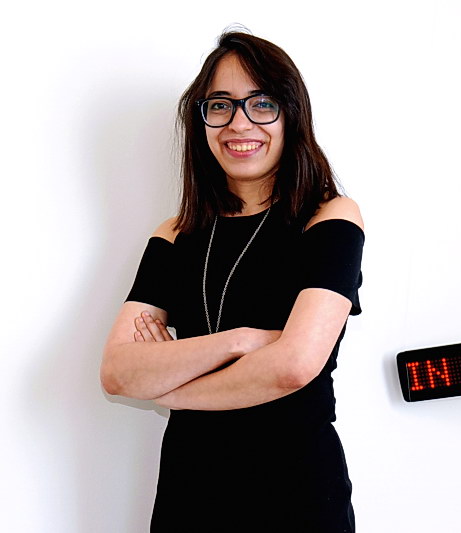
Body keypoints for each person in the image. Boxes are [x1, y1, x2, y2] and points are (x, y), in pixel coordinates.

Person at [100, 31, 363, 532]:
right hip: (190, 489)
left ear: (291, 115)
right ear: (200, 120)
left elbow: (294, 367)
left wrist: (172, 388)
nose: (239, 123)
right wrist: (241, 341)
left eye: (261, 103)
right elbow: (118, 373)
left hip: (297, 491)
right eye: (220, 105)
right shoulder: (175, 233)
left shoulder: (329, 217)